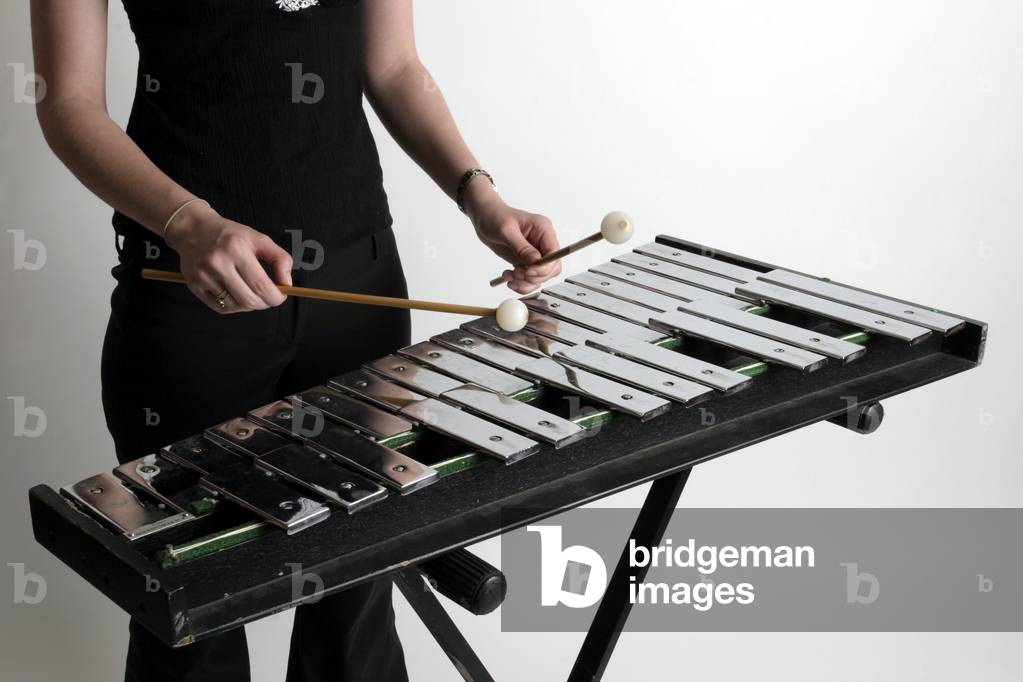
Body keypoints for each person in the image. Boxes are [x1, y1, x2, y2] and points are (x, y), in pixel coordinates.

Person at [30, 0, 562, 680]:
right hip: (189, 290)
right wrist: (188, 221)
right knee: (195, 607)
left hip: (360, 283)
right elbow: (69, 105)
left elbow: (393, 64)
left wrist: (478, 195)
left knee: (355, 597)